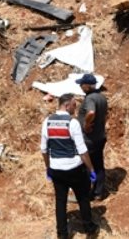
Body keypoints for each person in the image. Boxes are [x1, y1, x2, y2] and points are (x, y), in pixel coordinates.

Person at [41, 93, 98, 238]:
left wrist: (48, 168)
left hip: (56, 169)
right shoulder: (72, 123)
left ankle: (62, 234)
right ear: (66, 106)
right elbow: (82, 150)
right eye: (74, 105)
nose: (75, 108)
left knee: (60, 202)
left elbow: (44, 149)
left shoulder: (47, 122)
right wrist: (91, 169)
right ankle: (89, 228)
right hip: (74, 169)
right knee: (83, 197)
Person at [76, 74, 108, 200]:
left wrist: (86, 125)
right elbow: (105, 116)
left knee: (85, 166)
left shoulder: (90, 99)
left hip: (89, 140)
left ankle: (85, 194)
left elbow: (91, 112)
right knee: (98, 164)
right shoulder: (102, 97)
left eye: (81, 84)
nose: (80, 87)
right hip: (100, 137)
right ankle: (98, 193)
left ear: (87, 86)